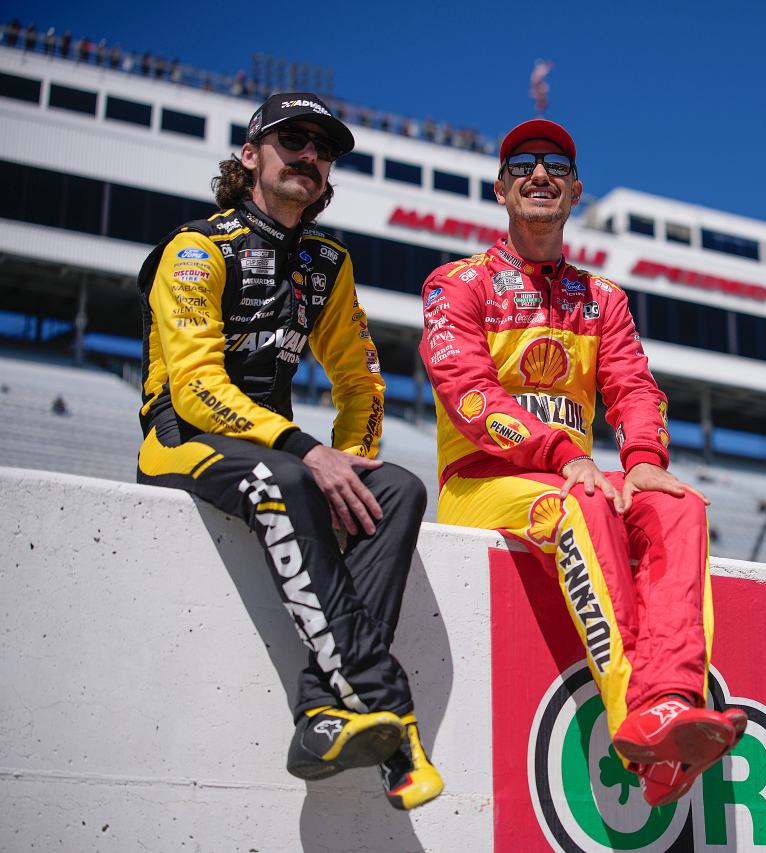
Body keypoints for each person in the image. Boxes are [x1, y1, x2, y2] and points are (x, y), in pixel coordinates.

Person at [419, 119, 745, 808]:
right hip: (481, 484)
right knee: (584, 501)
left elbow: (634, 387)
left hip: (574, 477)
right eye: (523, 164)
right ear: (501, 189)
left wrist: (645, 459)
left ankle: (674, 702)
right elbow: (469, 394)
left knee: (678, 503)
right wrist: (565, 453)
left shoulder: (603, 298)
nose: (540, 174)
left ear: (575, 191)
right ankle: (638, 719)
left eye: (557, 166)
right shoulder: (457, 283)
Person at [135, 92, 442, 811]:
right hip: (182, 441)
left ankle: (322, 714)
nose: (310, 155)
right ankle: (391, 719)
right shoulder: (196, 249)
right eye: (293, 140)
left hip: (276, 452)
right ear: (250, 157)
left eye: (323, 149)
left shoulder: (328, 264)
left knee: (396, 489)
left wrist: (351, 461)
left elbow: (361, 382)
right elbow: (195, 389)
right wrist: (308, 450)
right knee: (291, 477)